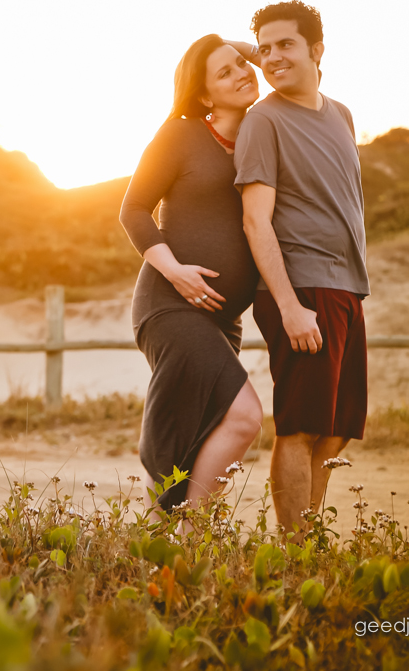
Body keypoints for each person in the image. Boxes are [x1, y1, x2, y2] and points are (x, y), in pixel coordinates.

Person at [233, 0, 369, 539]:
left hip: (346, 286)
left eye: (284, 45)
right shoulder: (263, 120)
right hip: (301, 288)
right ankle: (295, 552)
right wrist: (289, 306)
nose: (271, 57)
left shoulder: (342, 115)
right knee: (301, 426)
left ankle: (305, 540)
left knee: (337, 429)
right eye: (263, 49)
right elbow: (255, 220)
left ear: (317, 50)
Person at [119, 33, 265, 513]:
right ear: (203, 95)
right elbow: (133, 209)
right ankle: (190, 531)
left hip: (222, 319)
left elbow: (298, 74)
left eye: (242, 63)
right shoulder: (181, 134)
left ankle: (161, 531)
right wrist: (176, 271)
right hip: (170, 304)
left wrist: (246, 49)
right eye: (225, 72)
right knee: (244, 417)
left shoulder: (263, 134)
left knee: (199, 426)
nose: (242, 73)